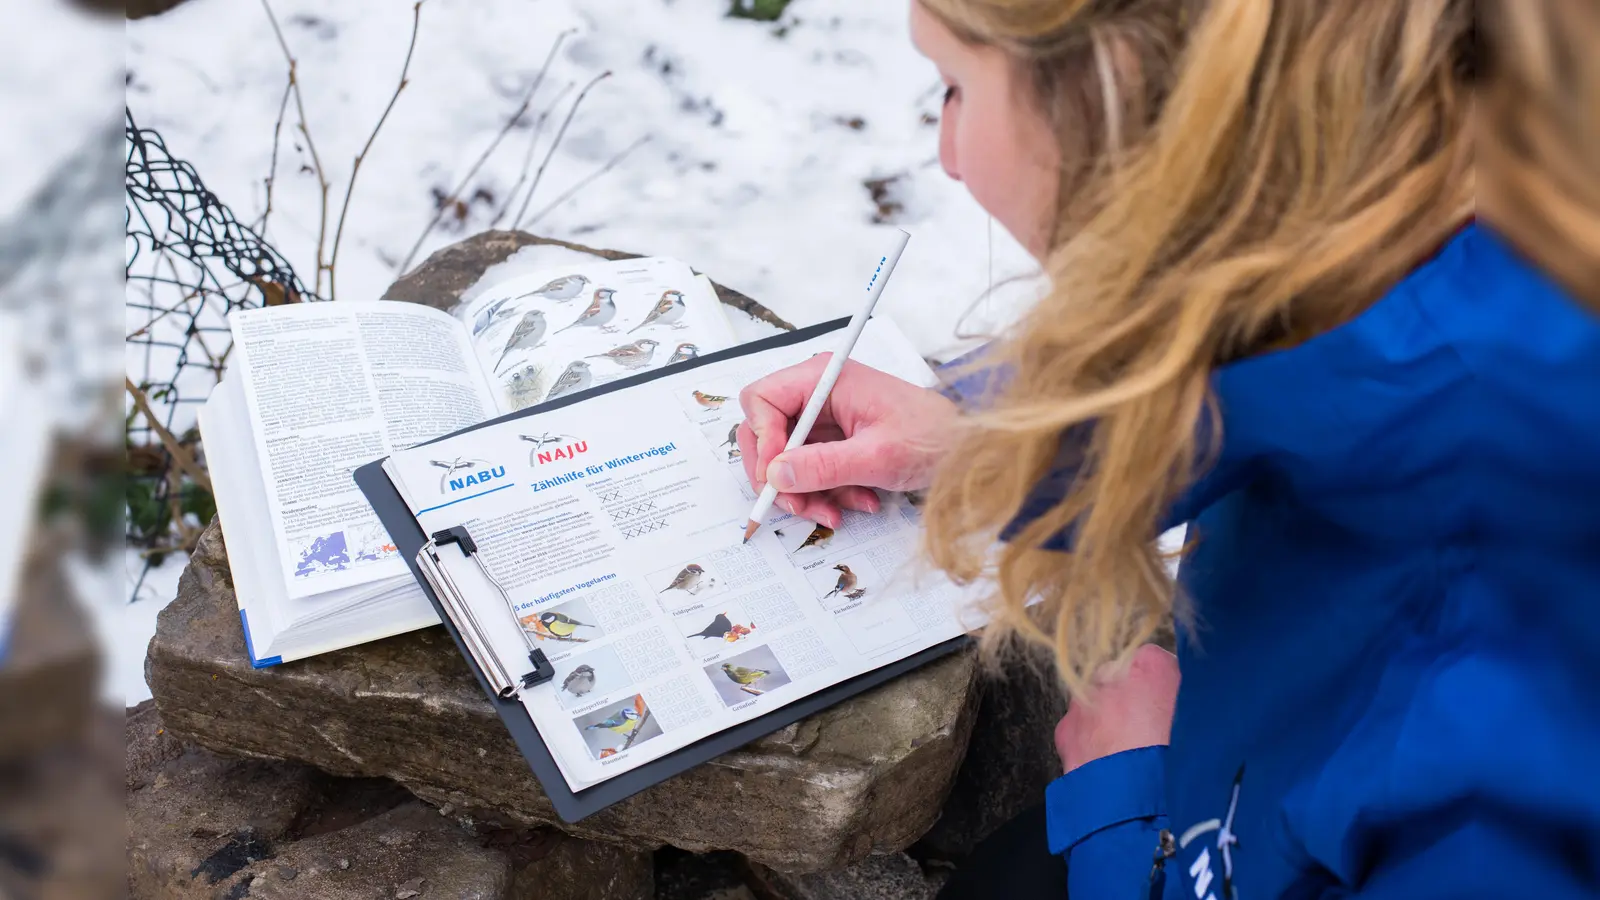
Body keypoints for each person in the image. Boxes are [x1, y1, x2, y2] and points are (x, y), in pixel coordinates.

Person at [737, 1, 1600, 897]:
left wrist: (1128, 814)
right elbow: (1231, 369)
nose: (947, 155)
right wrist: (972, 431)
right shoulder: (1390, 236)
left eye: (955, 88)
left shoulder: (1498, 719)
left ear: (1112, 91)